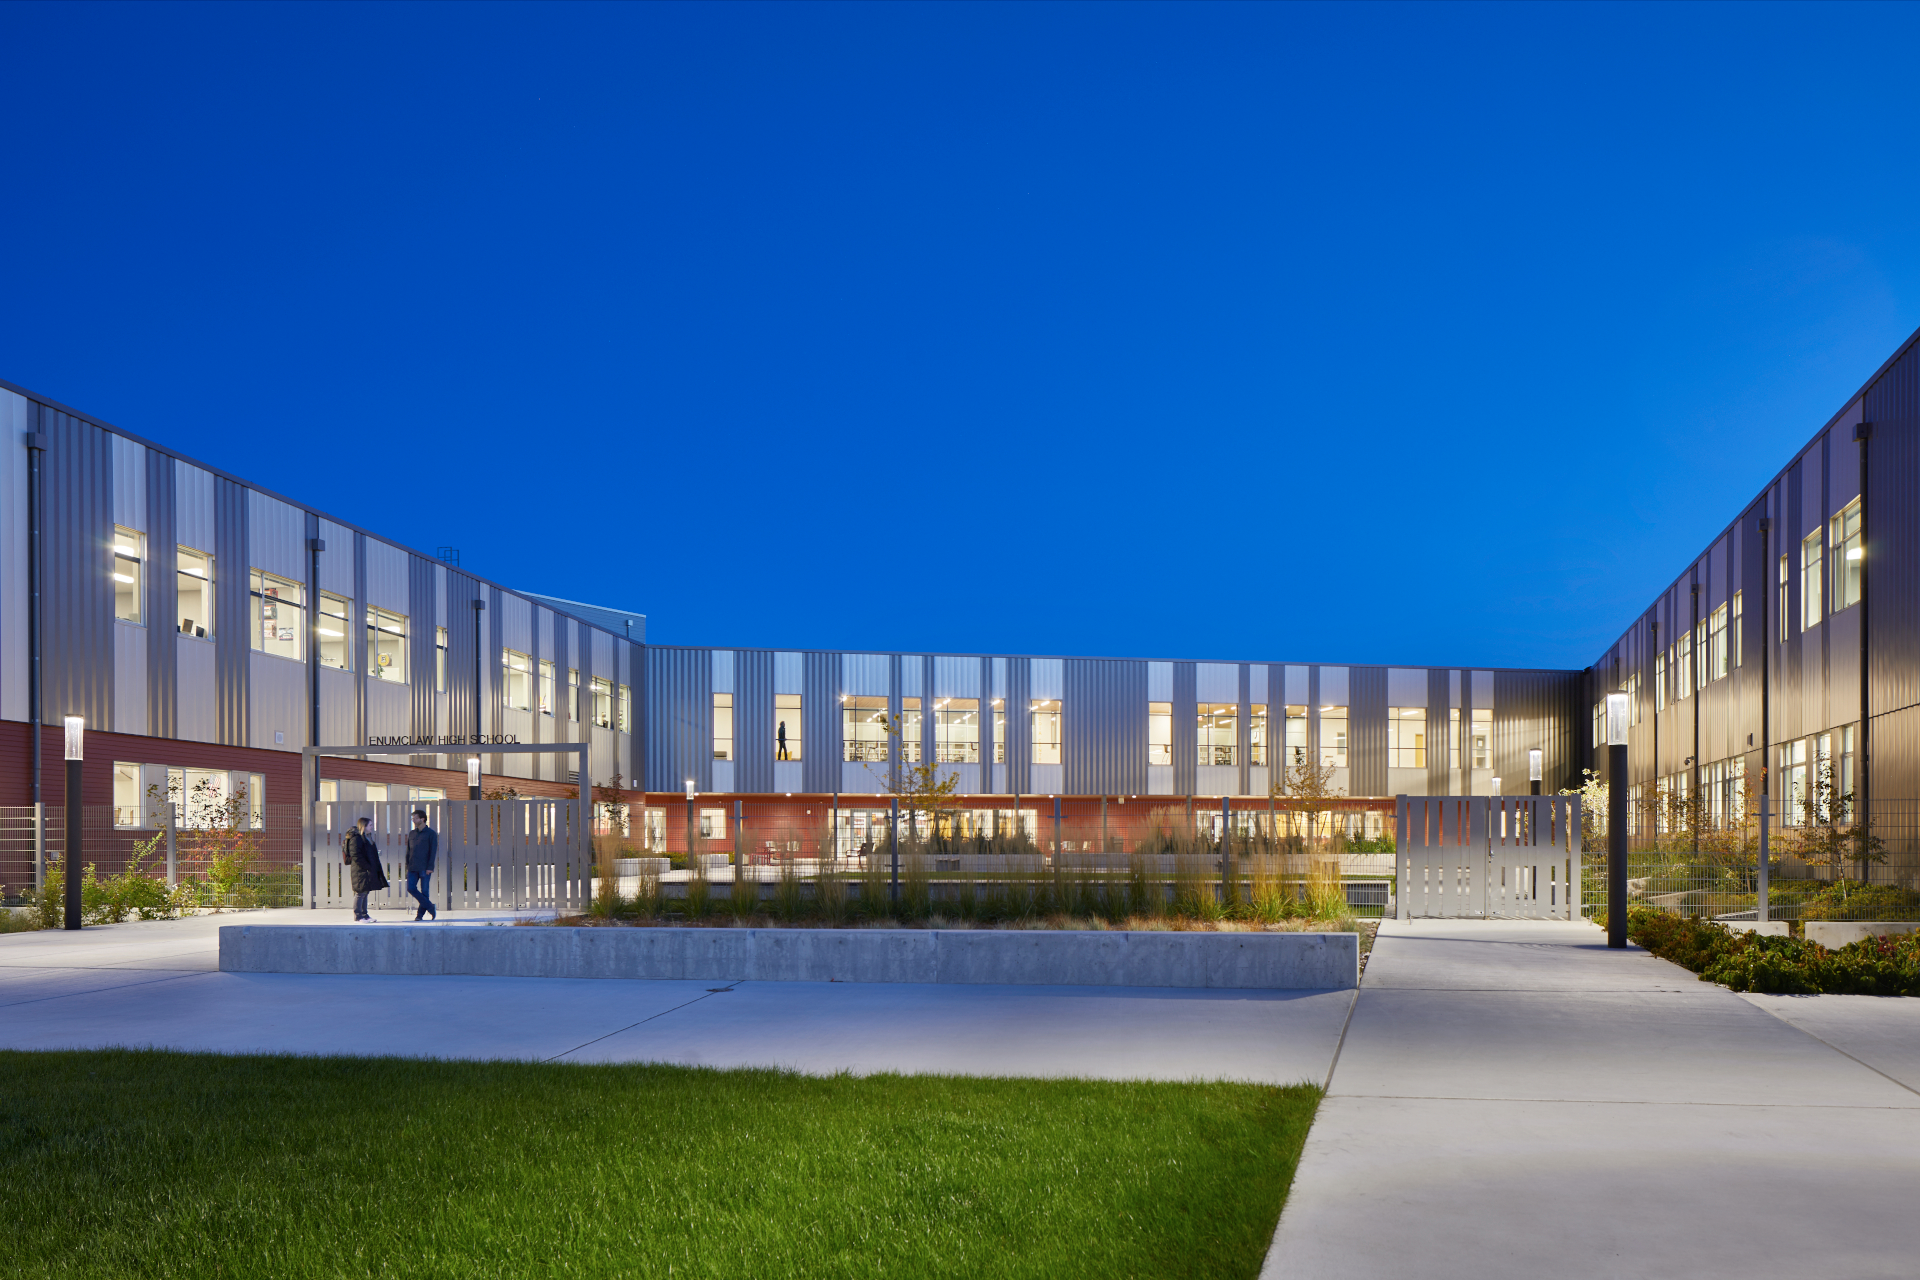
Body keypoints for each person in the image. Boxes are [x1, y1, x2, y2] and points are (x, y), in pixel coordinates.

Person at [344, 817, 389, 921]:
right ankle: (358, 916)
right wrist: (367, 866)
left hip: (366, 870)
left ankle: (365, 915)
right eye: (370, 825)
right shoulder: (356, 839)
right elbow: (356, 855)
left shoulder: (367, 838)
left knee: (365, 892)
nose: (372, 827)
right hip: (360, 871)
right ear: (363, 826)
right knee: (360, 893)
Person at [405, 808, 438, 921]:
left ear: (422, 819)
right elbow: (408, 851)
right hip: (412, 867)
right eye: (412, 818)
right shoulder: (412, 833)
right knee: (410, 888)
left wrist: (430, 867)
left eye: (415, 818)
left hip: (425, 867)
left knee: (425, 892)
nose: (413, 820)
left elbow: (433, 852)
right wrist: (407, 865)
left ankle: (419, 915)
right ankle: (430, 906)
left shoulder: (431, 834)